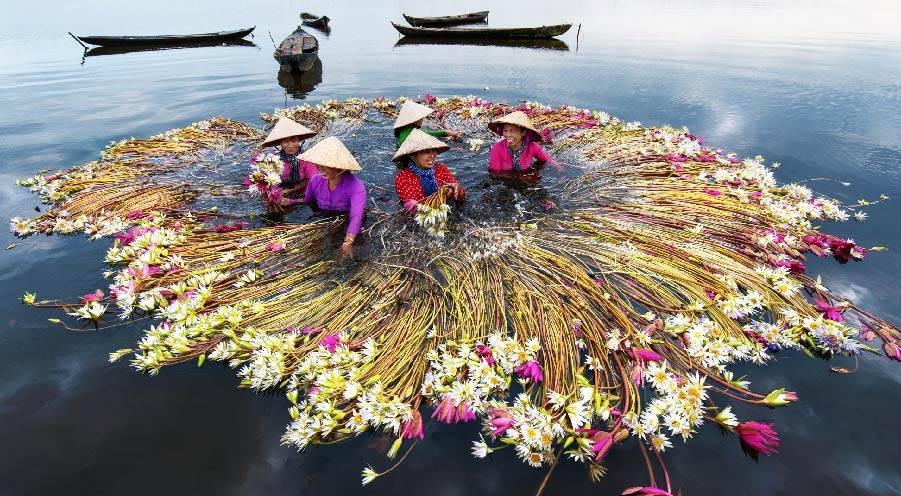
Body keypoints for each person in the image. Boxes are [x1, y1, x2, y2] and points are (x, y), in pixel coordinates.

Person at [295, 136, 367, 257]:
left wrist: (348, 240)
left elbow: (356, 216)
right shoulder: (315, 180)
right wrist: (290, 201)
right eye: (318, 165)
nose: (320, 169)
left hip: (346, 220)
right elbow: (307, 200)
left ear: (338, 166)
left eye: (326, 165)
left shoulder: (356, 186)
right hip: (323, 217)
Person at [393, 129, 465, 214]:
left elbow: (460, 195)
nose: (432, 155)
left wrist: (456, 190)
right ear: (412, 155)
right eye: (426, 152)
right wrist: (436, 200)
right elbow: (410, 206)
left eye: (434, 151)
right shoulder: (403, 177)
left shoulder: (441, 169)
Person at [487, 111, 561, 185]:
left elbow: (546, 159)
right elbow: (495, 173)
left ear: (523, 133)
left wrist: (558, 168)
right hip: (503, 183)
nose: (508, 135)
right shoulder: (497, 149)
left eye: (512, 131)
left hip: (524, 182)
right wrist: (519, 177)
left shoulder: (533, 147)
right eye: (505, 130)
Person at [253, 116, 319, 201]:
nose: (290, 145)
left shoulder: (307, 159)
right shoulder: (274, 160)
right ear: (280, 143)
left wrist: (292, 190)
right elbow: (266, 178)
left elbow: (313, 179)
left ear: (299, 142)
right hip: (282, 187)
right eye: (286, 141)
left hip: (301, 190)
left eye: (294, 141)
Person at [393, 100, 461, 166]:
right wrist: (454, 148)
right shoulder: (415, 133)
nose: (423, 119)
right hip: (415, 163)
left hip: (402, 162)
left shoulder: (402, 131)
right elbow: (430, 134)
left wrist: (446, 132)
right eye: (421, 117)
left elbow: (429, 133)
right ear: (415, 120)